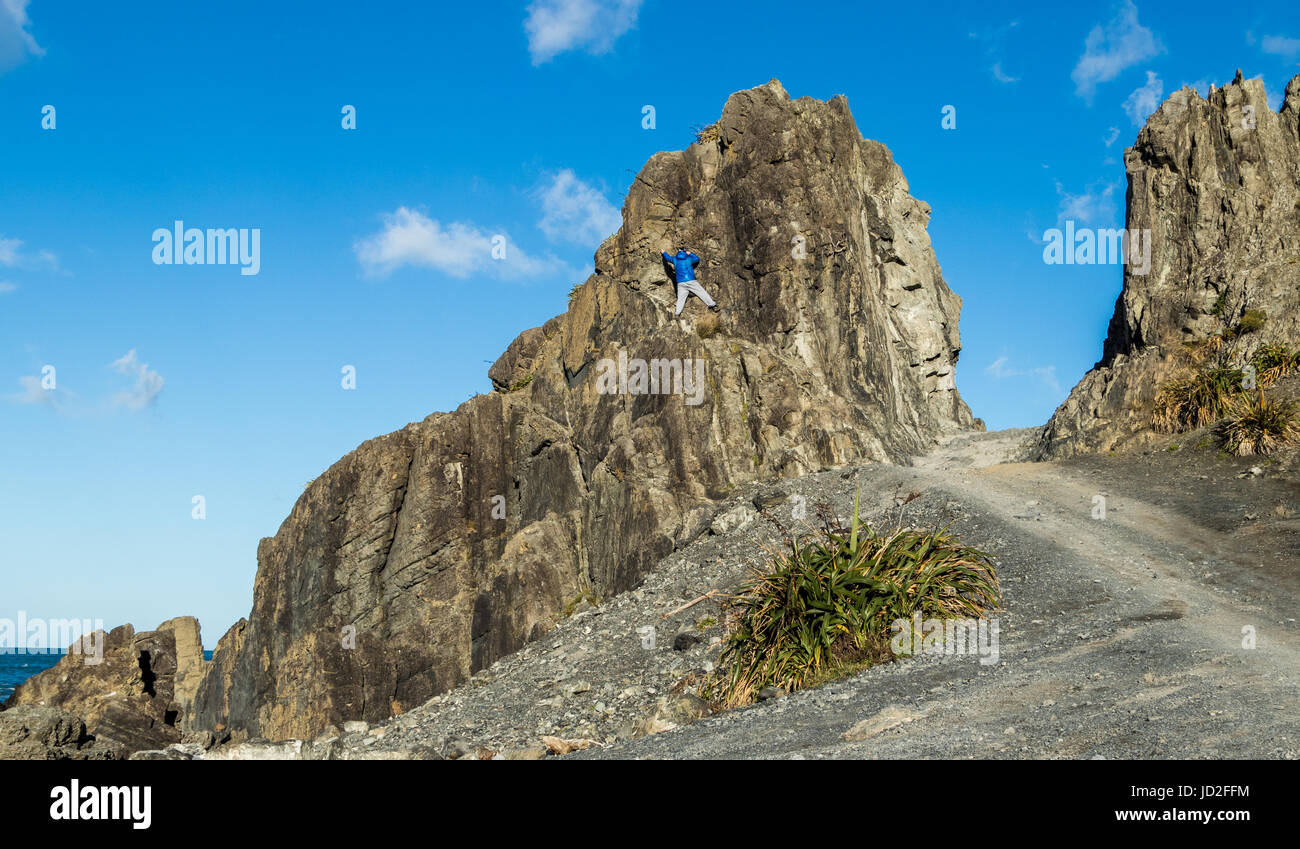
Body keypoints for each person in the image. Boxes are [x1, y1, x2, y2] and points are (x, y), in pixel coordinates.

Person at [662, 244, 720, 316]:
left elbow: (668, 258)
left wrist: (663, 252)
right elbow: (697, 259)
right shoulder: (688, 259)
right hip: (690, 280)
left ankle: (677, 313)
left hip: (680, 283)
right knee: (701, 292)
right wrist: (690, 253)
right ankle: (712, 305)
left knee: (681, 299)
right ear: (685, 252)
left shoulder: (675, 259)